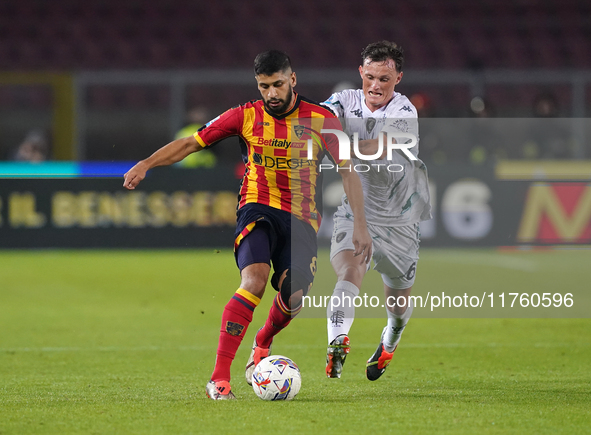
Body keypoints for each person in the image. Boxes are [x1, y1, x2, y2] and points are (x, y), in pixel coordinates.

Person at [123, 50, 372, 399]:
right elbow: (190, 143)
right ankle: (219, 378)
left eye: (278, 85)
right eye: (264, 86)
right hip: (257, 207)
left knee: (293, 296)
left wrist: (361, 224)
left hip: (301, 220)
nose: (271, 93)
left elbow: (348, 172)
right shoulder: (244, 115)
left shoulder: (323, 120)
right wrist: (147, 163)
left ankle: (262, 341)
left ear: (293, 80)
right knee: (253, 281)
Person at [321, 41, 431, 380]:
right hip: (358, 210)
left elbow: (373, 147)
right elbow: (315, 123)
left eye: (384, 78)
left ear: (398, 77)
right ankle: (336, 342)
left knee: (397, 306)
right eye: (370, 77)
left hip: (401, 219)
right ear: (360, 73)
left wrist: (335, 141)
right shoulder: (343, 101)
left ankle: (391, 338)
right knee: (348, 273)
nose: (375, 86)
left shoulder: (405, 111)